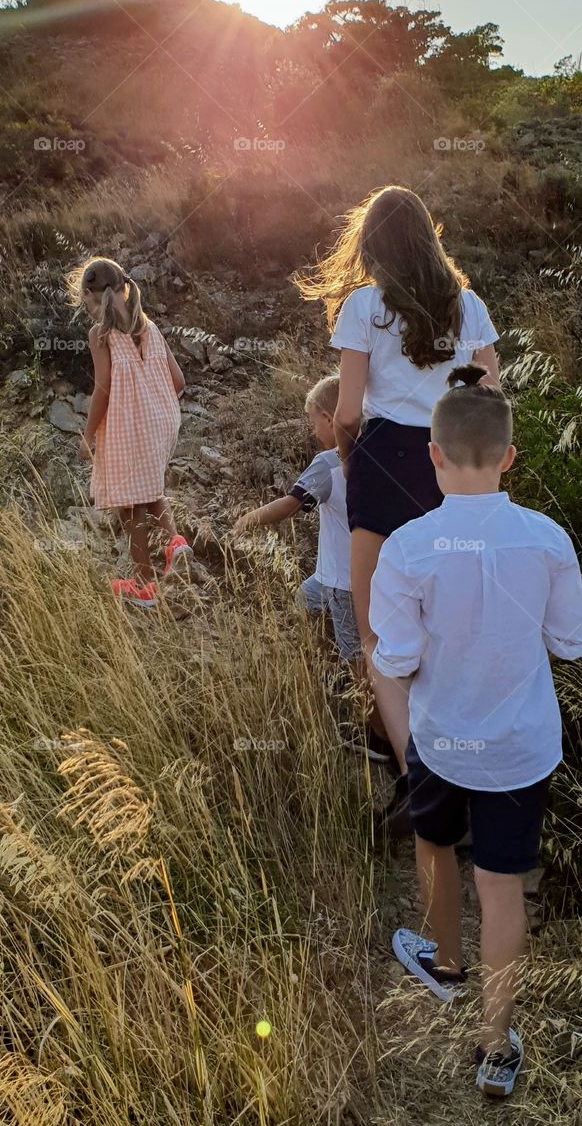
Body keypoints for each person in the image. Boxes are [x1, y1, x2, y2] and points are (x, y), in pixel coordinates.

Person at [369, 364, 582, 1098]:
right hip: (521, 747)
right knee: (503, 888)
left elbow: (393, 659)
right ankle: (496, 1045)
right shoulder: (550, 540)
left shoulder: (407, 548)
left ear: (432, 452)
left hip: (440, 739)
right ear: (510, 456)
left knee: (434, 846)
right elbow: (569, 643)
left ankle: (445, 967)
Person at [296, 185, 499, 826]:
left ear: (372, 244)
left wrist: (354, 467)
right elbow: (492, 402)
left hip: (382, 464)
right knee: (451, 631)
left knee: (381, 634)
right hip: (452, 463)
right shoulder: (467, 306)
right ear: (429, 238)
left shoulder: (362, 306)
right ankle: (463, 774)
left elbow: (348, 411)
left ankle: (419, 783)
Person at [234, 375, 384, 746]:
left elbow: (290, 504)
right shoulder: (376, 454)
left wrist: (245, 521)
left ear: (331, 419)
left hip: (342, 582)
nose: (311, 429)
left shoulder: (328, 462)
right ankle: (331, 667)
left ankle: (377, 733)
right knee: (304, 599)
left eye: (313, 420)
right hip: (352, 576)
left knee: (358, 660)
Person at [69, 256, 190, 607]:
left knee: (132, 504)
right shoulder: (149, 328)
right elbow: (179, 381)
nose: (86, 308)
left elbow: (103, 387)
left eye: (85, 301)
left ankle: (143, 583)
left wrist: (87, 434)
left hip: (129, 424)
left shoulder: (100, 335)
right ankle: (175, 543)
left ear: (93, 297)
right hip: (162, 419)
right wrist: (152, 401)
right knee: (151, 488)